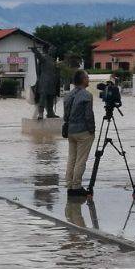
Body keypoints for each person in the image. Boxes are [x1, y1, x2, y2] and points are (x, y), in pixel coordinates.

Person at [61, 70, 96, 198]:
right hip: (83, 132)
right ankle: (77, 186)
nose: (88, 79)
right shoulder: (87, 95)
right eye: (87, 77)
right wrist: (92, 130)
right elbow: (88, 115)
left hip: (70, 131)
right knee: (81, 160)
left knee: (71, 159)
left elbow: (65, 115)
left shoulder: (68, 95)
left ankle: (69, 185)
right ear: (82, 80)